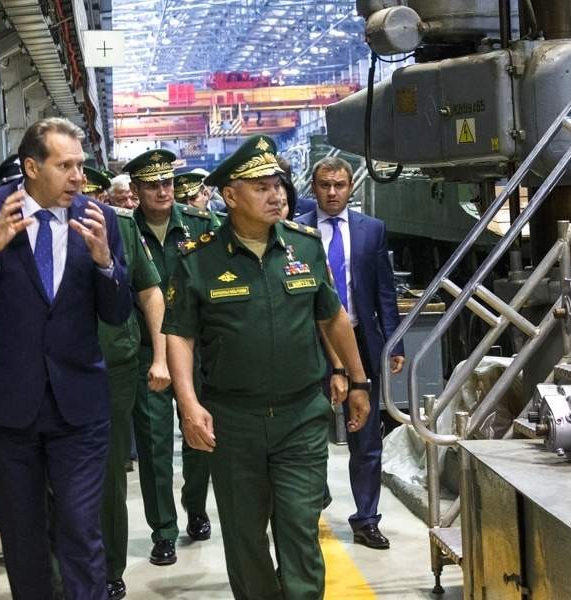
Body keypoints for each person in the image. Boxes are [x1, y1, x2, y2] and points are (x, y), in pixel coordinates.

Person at [164, 134, 372, 599]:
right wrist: (188, 405)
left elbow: (333, 317)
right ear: (230, 195)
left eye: (277, 184)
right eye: (261, 187)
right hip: (233, 421)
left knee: (300, 531)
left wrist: (358, 380)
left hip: (301, 417)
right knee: (245, 540)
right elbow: (179, 334)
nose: (276, 194)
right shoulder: (198, 258)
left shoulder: (304, 246)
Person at [0, 117, 132, 599]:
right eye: (65, 166)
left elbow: (117, 312)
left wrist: (106, 263)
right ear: (31, 167)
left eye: (80, 165)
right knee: (23, 537)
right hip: (8, 410)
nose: (78, 177)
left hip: (78, 408)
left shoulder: (98, 218)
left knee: (80, 528)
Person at [296, 156, 405, 550]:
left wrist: (393, 341)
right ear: (313, 187)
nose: (332, 193)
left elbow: (384, 291)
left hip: (360, 342)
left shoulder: (371, 230)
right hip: (310, 343)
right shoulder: (296, 231)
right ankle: (313, 501)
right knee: (308, 431)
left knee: (366, 436)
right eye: (324, 185)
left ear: (350, 187)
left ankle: (366, 519)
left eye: (339, 185)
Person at [123, 149, 216, 567]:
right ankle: (163, 530)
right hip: (148, 353)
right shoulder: (125, 230)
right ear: (136, 189)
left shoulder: (200, 225)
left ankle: (195, 506)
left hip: (196, 349)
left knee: (200, 435)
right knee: (154, 445)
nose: (163, 191)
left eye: (167, 183)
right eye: (152, 185)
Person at [94, 168, 170, 600]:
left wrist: (159, 355)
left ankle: (109, 568)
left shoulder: (120, 226)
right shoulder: (24, 225)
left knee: (109, 472)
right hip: (48, 370)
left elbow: (150, 291)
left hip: (112, 366)